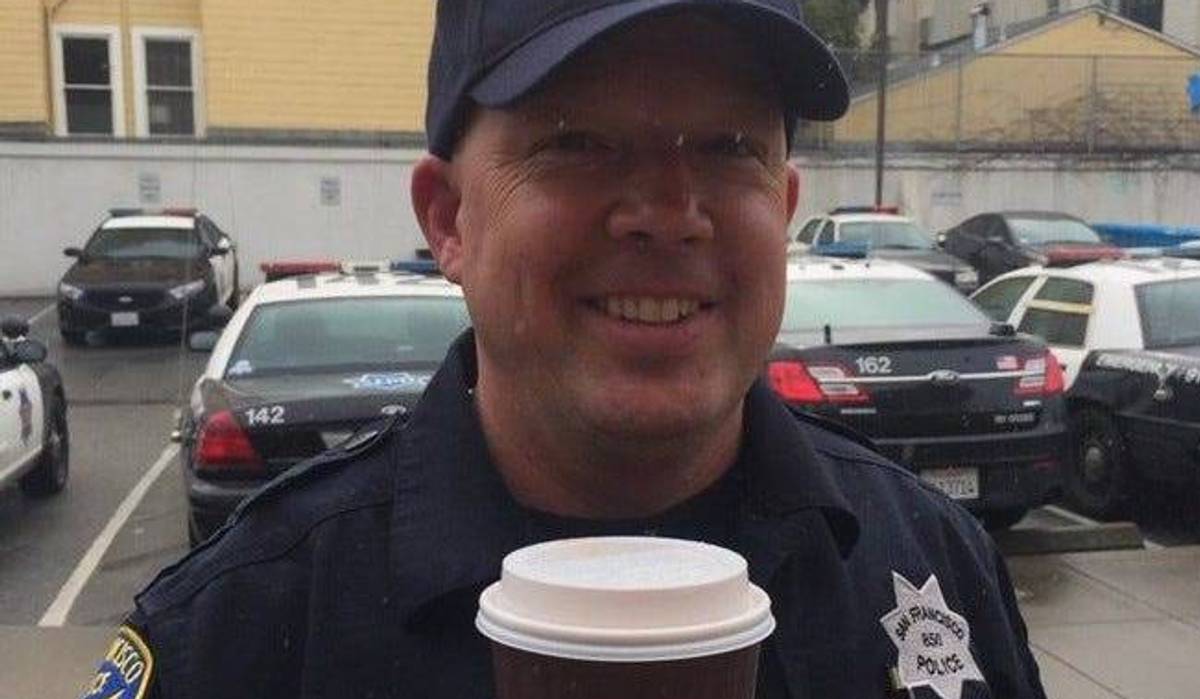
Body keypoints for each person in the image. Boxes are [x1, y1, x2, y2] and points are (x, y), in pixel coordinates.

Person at [82, 1, 1046, 698]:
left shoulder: (927, 566)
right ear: (448, 218)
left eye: (727, 148)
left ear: (785, 208)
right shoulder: (243, 632)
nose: (670, 214)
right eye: (578, 142)